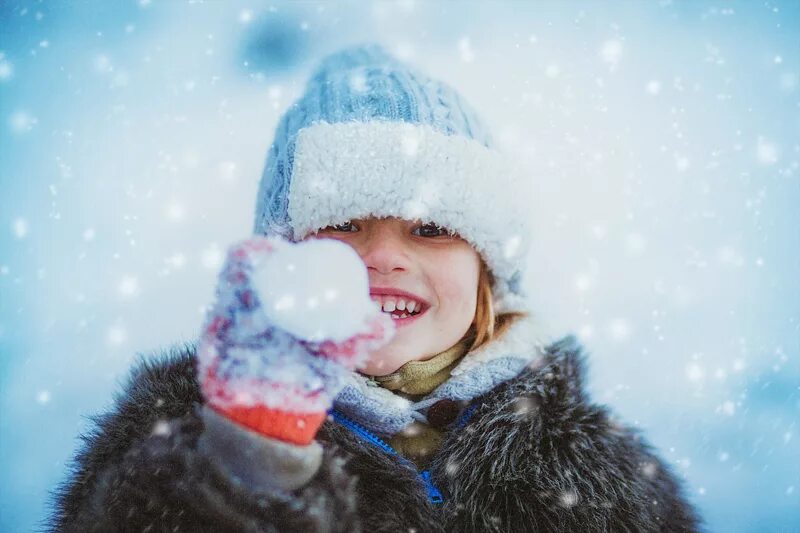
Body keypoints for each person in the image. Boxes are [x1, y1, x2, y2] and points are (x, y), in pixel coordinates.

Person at [47, 44, 701, 532]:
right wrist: (249, 454)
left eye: (430, 227)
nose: (383, 256)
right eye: (344, 224)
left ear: (489, 274)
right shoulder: (181, 434)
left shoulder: (597, 469)